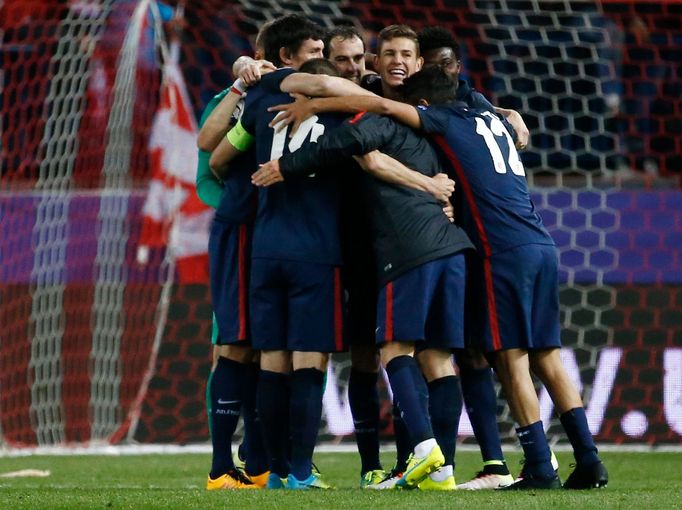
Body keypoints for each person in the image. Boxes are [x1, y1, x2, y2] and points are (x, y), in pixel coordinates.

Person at [292, 66, 608, 491]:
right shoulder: (488, 115)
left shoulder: (442, 119)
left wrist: (315, 105)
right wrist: (511, 110)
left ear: (422, 104)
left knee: (510, 358)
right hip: (541, 242)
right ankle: (588, 458)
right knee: (547, 355)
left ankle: (538, 463)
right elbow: (493, 109)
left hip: (501, 251)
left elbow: (384, 105)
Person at [251, 81, 475, 490]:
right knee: (440, 359)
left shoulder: (378, 122)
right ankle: (442, 471)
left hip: (409, 249)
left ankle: (424, 450)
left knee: (392, 348)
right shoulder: (430, 135)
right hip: (453, 247)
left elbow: (347, 141)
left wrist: (286, 163)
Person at [209, 15, 373, 490]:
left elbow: (216, 156)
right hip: (314, 253)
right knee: (308, 363)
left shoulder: (259, 99)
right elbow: (371, 144)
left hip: (264, 248)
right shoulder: (342, 110)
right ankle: (299, 470)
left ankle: (273, 468)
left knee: (272, 361)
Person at [194, 22, 274, 492]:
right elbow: (207, 173)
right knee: (232, 345)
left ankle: (263, 455)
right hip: (244, 237)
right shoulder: (234, 103)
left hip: (294, 241)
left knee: (281, 352)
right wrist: (238, 206)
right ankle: (222, 463)